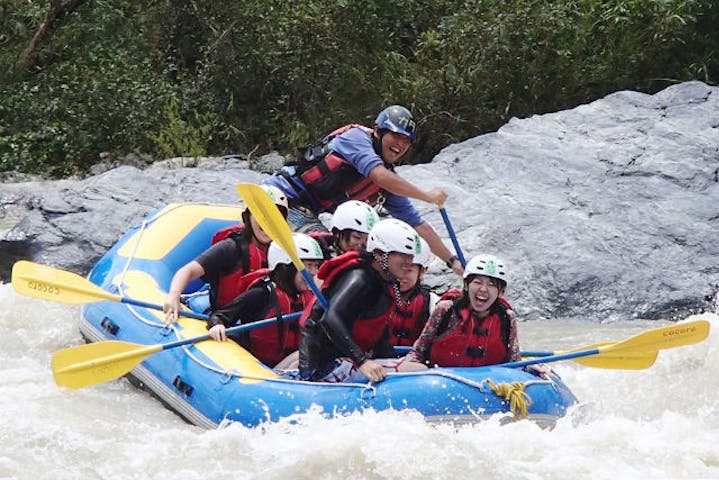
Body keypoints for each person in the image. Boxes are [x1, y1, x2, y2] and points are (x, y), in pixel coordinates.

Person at [264, 105, 463, 274]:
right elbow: (378, 175)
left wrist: (453, 262)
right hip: (283, 196)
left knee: (355, 258)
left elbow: (418, 225)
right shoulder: (356, 139)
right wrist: (426, 196)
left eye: (406, 141)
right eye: (395, 136)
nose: (400, 145)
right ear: (377, 131)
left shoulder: (387, 184)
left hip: (309, 211)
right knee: (322, 250)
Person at [298, 218, 424, 383]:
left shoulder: (385, 281)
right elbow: (330, 319)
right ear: (379, 254)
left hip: (347, 360)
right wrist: (362, 362)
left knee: (415, 366)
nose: (409, 262)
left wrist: (389, 359)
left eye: (410, 256)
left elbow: (379, 334)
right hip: (323, 367)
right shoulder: (360, 278)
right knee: (416, 370)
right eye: (402, 255)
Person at [163, 184, 289, 323]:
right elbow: (188, 271)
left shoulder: (287, 252)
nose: (267, 222)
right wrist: (173, 296)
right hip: (224, 320)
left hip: (262, 326)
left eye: (274, 216)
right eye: (261, 214)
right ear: (248, 217)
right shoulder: (231, 248)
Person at [205, 233, 324, 367]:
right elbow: (220, 316)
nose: (314, 272)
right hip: (260, 369)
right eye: (308, 265)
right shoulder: (262, 294)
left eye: (316, 266)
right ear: (286, 266)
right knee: (301, 357)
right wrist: (217, 325)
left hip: (289, 365)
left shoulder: (306, 296)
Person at [399, 254, 521, 371]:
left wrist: (533, 368)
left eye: (491, 285)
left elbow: (515, 361)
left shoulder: (507, 317)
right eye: (477, 282)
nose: (483, 289)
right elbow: (418, 352)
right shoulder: (445, 310)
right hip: (444, 380)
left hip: (487, 385)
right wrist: (410, 364)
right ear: (467, 285)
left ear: (500, 292)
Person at [388, 238, 440, 347]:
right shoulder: (375, 294)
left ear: (421, 272)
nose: (401, 275)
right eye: (398, 268)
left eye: (408, 270)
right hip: (374, 360)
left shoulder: (433, 302)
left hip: (412, 360)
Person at [311, 199, 379, 257]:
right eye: (357, 237)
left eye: (367, 240)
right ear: (337, 232)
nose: (360, 245)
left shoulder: (370, 257)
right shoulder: (317, 255)